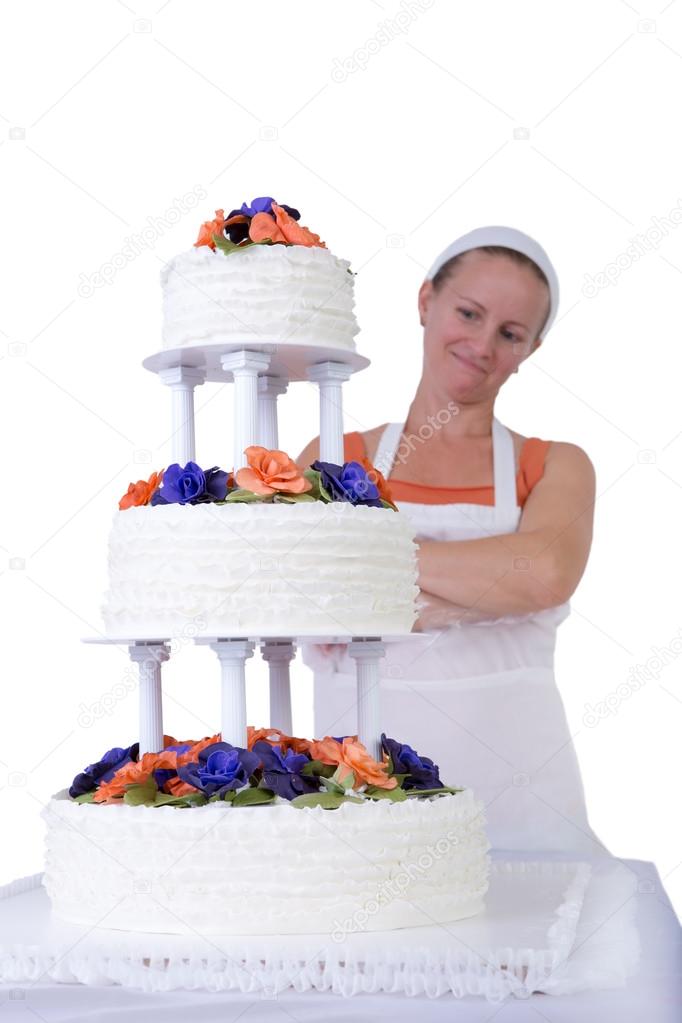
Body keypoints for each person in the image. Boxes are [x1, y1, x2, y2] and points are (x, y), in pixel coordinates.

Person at [298, 225, 605, 853]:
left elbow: (543, 573)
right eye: (469, 312)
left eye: (510, 334)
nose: (483, 344)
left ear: (530, 349)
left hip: (525, 804)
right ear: (425, 301)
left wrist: (372, 571)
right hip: (364, 807)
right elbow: (306, 593)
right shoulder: (333, 456)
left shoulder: (555, 464)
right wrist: (481, 593)